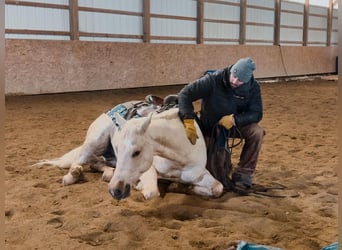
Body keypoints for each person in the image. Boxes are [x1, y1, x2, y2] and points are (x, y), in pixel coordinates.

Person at [177, 57, 265, 189]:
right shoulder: (213, 80)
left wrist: (235, 119)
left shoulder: (253, 87)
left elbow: (257, 113)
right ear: (231, 70)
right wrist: (188, 120)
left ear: (247, 80)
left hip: (234, 125)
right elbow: (185, 94)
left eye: (240, 80)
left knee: (257, 132)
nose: (235, 81)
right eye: (234, 76)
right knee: (212, 171)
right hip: (210, 126)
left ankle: (243, 174)